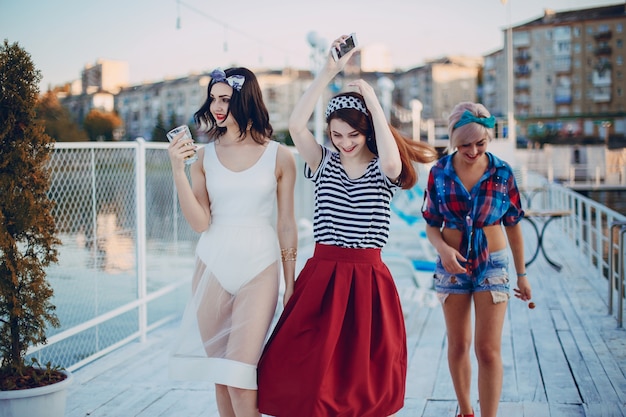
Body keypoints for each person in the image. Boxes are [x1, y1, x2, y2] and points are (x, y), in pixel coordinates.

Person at [257, 35, 438, 417]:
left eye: (353, 135)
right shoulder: (323, 161)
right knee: (308, 373)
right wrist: (327, 72)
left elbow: (391, 161)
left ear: (368, 130)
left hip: (367, 276)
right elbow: (294, 125)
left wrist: (372, 100)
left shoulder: (383, 168)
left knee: (361, 380)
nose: (344, 143)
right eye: (336, 135)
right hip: (322, 275)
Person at [167, 67, 297, 417]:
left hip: (260, 266)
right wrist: (178, 171)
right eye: (213, 98)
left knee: (240, 378)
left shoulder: (279, 155)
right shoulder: (204, 157)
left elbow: (286, 224)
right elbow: (200, 223)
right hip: (212, 266)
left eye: (225, 98)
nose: (217, 106)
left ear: (245, 98)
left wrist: (291, 282)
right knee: (221, 378)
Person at [421, 102, 532, 417]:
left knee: (487, 349)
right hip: (451, 266)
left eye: (480, 143)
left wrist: (522, 275)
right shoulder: (439, 172)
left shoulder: (502, 172)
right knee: (458, 346)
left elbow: (513, 226)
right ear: (454, 138)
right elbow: (430, 223)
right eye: (464, 144)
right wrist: (443, 250)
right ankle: (466, 411)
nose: (472, 150)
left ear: (489, 137)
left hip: (493, 264)